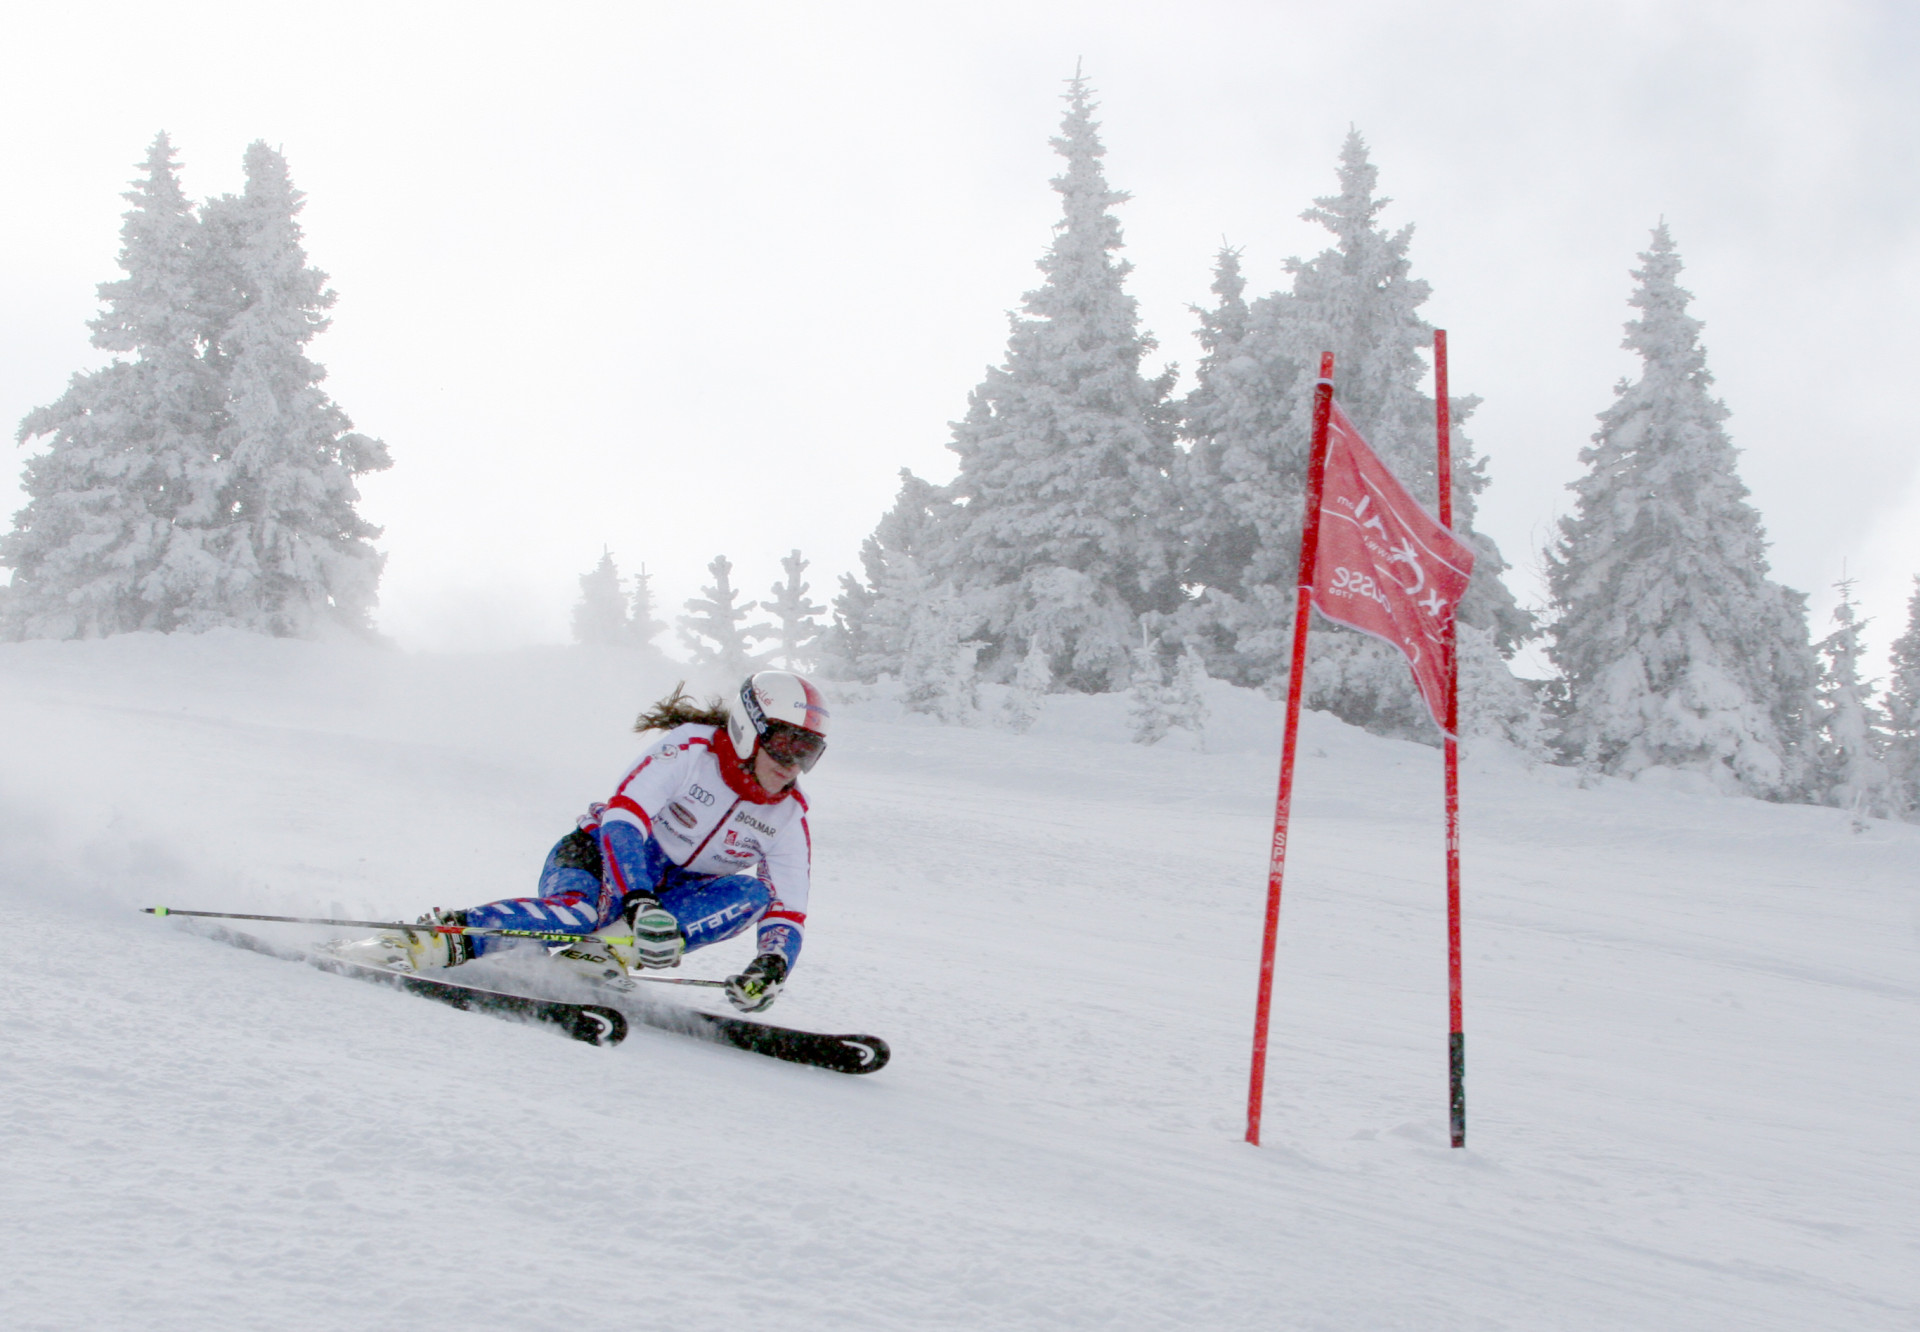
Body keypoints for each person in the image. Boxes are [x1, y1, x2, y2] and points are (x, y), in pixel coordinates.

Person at [338, 671, 827, 1013]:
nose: (792, 763)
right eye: (785, 742)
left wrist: (772, 966)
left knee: (752, 895)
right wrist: (636, 898)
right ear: (749, 727)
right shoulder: (691, 748)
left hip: (660, 898)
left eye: (808, 751)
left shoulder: (787, 816)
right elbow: (624, 819)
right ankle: (421, 942)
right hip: (600, 857)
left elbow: (788, 908)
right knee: (578, 914)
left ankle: (596, 958)